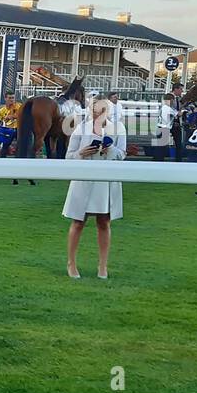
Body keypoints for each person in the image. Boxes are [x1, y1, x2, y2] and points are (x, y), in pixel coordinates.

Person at [62, 98, 126, 279]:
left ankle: (103, 266)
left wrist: (110, 149)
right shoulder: (81, 128)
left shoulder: (118, 128)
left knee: (104, 222)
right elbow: (68, 156)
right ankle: (71, 263)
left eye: (101, 111)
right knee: (78, 221)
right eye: (94, 111)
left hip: (106, 181)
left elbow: (122, 154)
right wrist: (81, 153)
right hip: (83, 179)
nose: (97, 114)